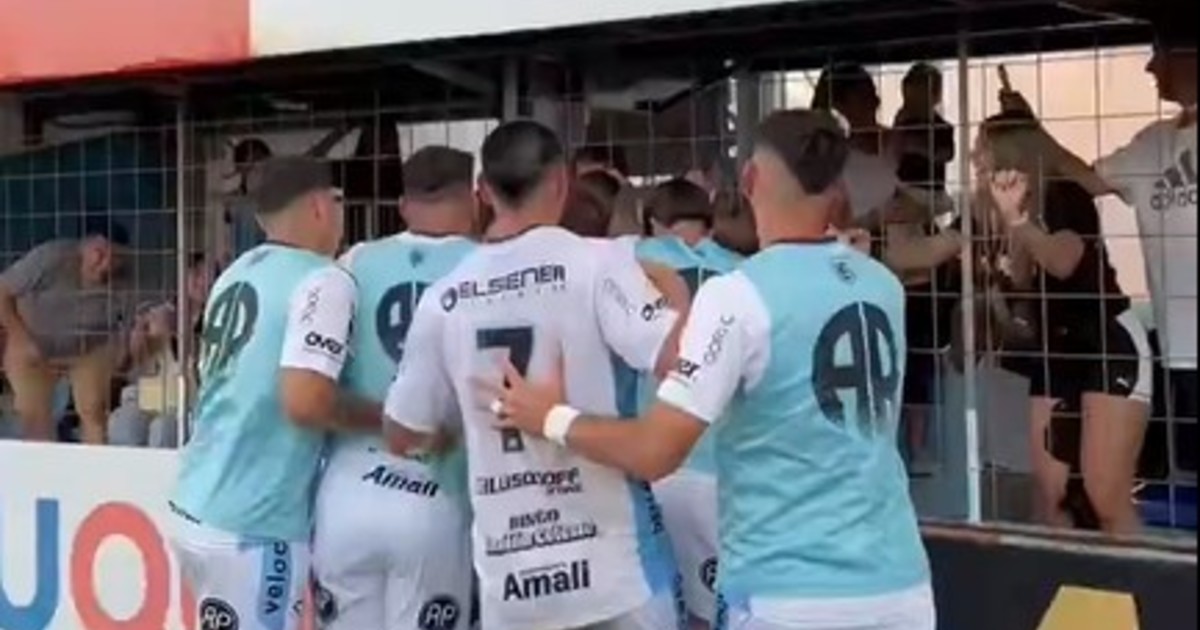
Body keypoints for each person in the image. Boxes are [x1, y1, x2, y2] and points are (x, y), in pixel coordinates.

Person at [489, 109, 935, 630]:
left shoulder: (737, 296)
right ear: (835, 186)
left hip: (788, 594)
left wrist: (550, 417)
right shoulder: (881, 284)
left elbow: (656, 452)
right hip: (902, 588)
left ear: (749, 178)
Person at [383, 120, 688, 630]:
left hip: (513, 585)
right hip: (612, 572)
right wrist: (673, 287)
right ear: (562, 182)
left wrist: (466, 422)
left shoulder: (445, 297)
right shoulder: (599, 264)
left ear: (483, 192)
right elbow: (676, 357)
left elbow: (402, 433)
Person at [168, 157, 380, 630]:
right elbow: (306, 401)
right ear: (321, 207)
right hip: (256, 521)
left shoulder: (238, 271)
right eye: (339, 201)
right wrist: (390, 421)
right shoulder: (324, 279)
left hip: (195, 502)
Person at [1003, 28, 1197, 495]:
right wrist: (1030, 129)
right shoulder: (1153, 142)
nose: (1150, 67)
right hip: (1180, 344)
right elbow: (1087, 179)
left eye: (1158, 54)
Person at [311, 146, 477, 630]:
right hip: (436, 493)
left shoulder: (355, 261)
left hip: (347, 490)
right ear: (473, 199)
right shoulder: (486, 266)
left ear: (403, 206)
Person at [635, 177, 742, 630]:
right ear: (709, 223)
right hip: (721, 465)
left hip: (653, 460)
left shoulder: (636, 260)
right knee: (715, 609)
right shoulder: (741, 271)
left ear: (653, 223)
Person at [0, 219, 133, 444]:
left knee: (93, 410)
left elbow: (130, 319)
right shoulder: (51, 257)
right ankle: (43, 463)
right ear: (82, 247)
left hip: (88, 348)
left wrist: (123, 348)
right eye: (99, 254)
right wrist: (20, 338)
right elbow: (2, 291)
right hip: (32, 343)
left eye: (116, 258)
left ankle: (95, 461)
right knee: (35, 418)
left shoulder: (126, 279)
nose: (106, 265)